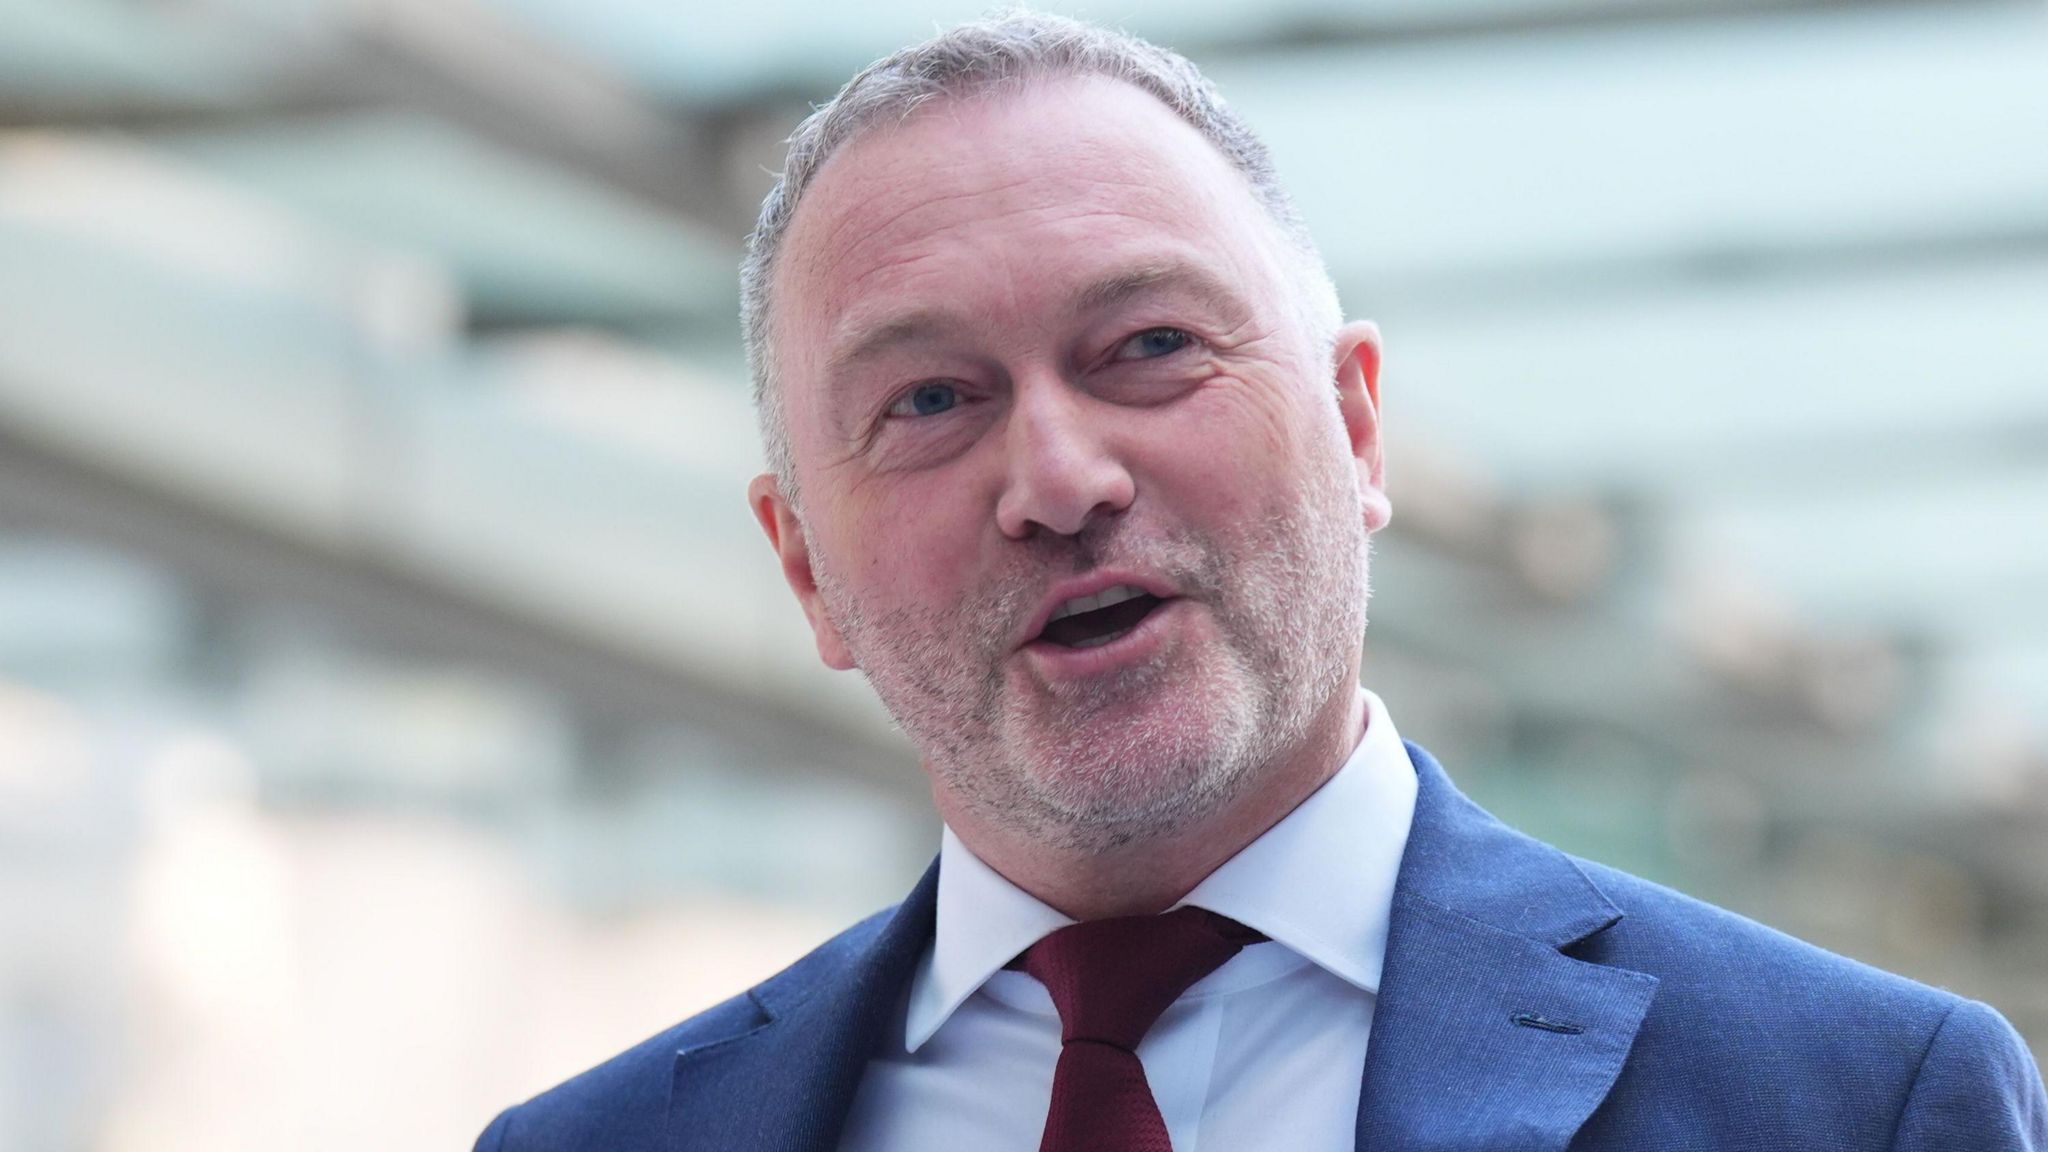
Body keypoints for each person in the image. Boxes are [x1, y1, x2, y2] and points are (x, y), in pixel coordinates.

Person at [473, 12, 2046, 1151]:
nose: (1061, 480)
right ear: (804, 564)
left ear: (1359, 429)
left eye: (1151, 347)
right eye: (932, 400)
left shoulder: (1856, 1103)